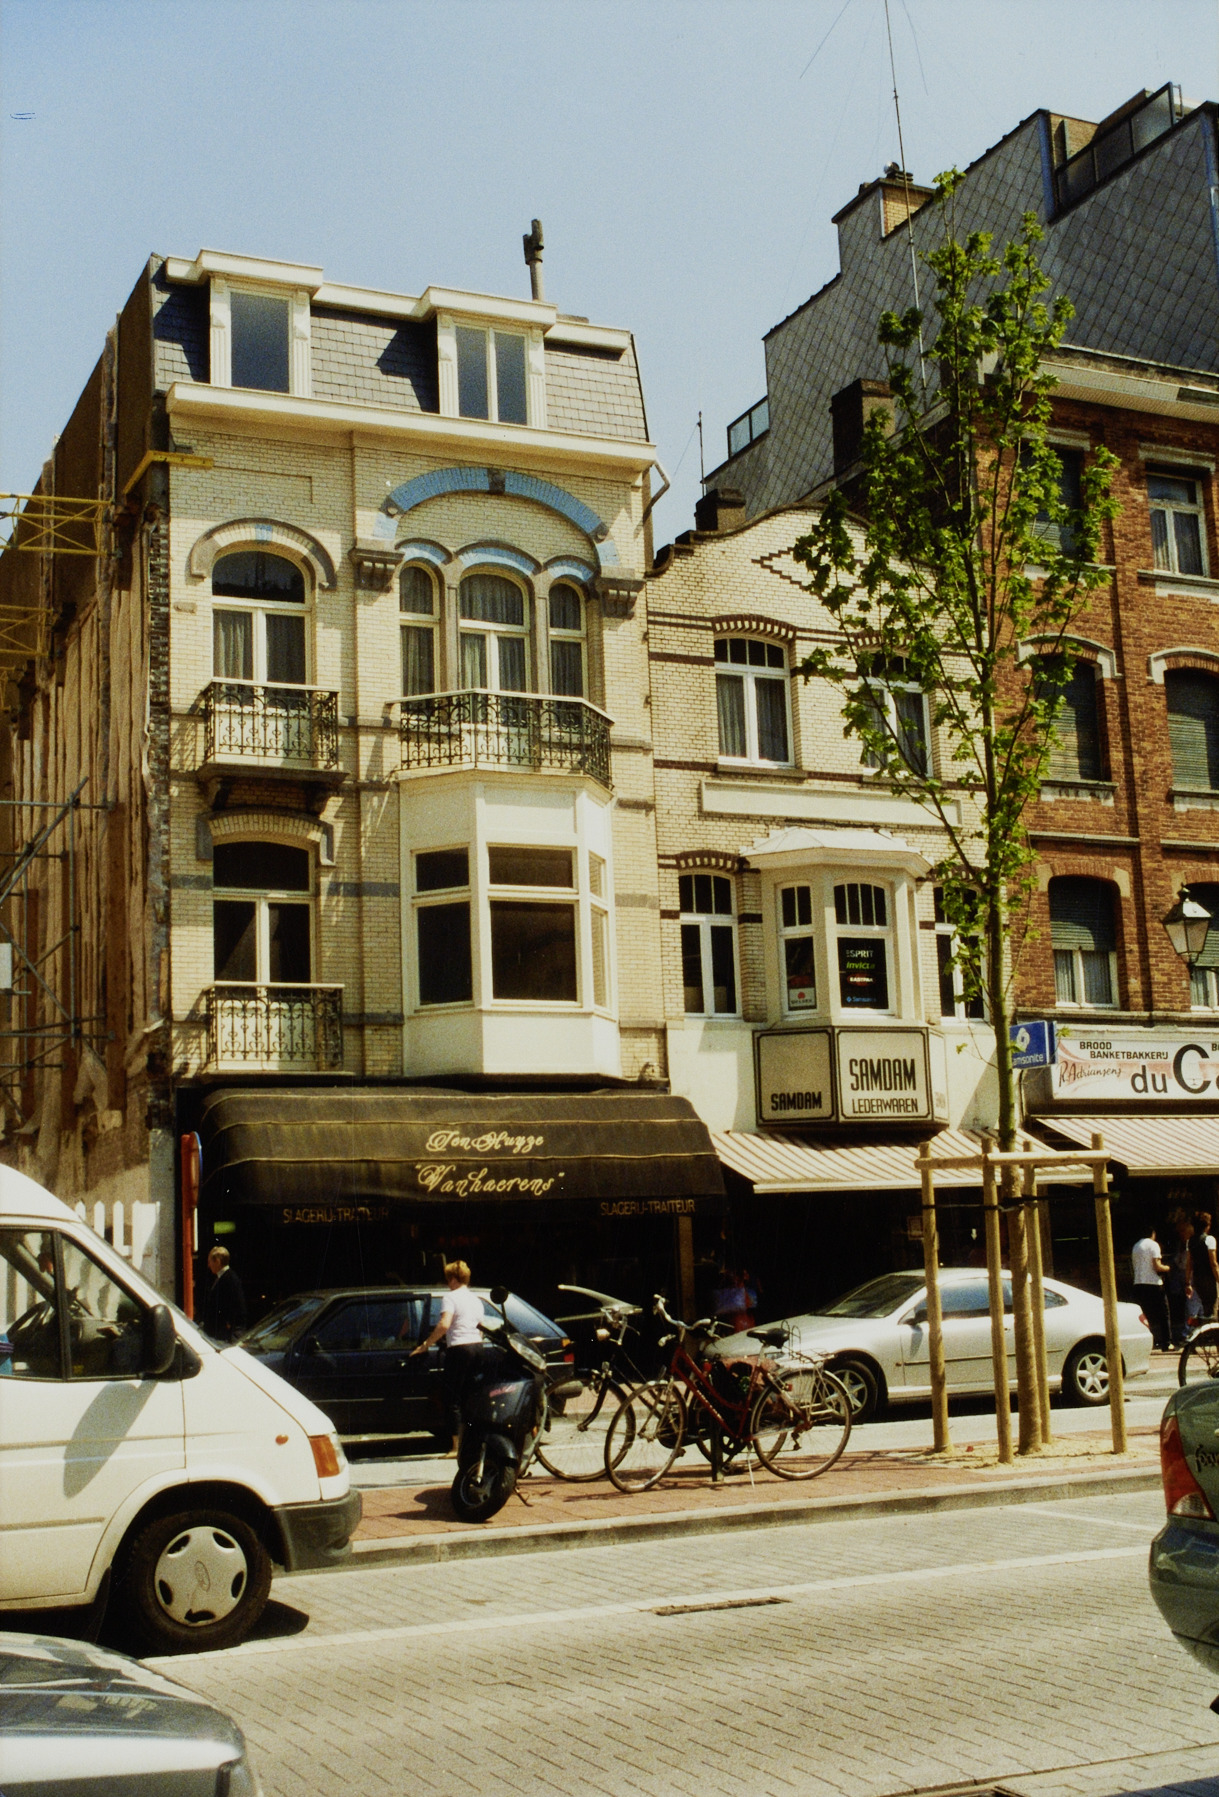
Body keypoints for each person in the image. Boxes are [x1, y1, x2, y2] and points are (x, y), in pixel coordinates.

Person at [409, 1260, 486, 1456]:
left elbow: (444, 1324)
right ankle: (474, 1443)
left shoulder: (450, 1297)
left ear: (452, 1279)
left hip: (459, 1349)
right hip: (477, 1347)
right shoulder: (476, 1299)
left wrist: (425, 1345)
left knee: (452, 1398)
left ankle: (456, 1446)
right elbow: (480, 1328)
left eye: (447, 1279)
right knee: (470, 1396)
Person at [1130, 1225, 1171, 1352]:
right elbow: (1157, 1266)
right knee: (1164, 1314)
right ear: (1152, 1234)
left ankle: (1144, 1343)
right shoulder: (1153, 1245)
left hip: (1138, 1283)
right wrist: (1168, 1268)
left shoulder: (1136, 1246)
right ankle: (1167, 1343)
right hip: (1154, 1284)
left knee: (1144, 1315)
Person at [201, 1245, 247, 1344]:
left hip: (226, 1335)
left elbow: (233, 1307)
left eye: (210, 1262)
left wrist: (228, 1326)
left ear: (217, 1261)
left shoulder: (229, 1279)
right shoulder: (224, 1278)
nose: (209, 1266)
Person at [1165, 1213, 1195, 1350]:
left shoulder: (1191, 1244)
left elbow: (1187, 1264)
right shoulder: (1181, 1245)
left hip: (1189, 1277)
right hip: (1181, 1277)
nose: (1181, 1234)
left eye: (1182, 1231)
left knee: (1191, 1306)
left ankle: (1188, 1334)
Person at [1192, 1212, 1219, 1325]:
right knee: (1213, 1307)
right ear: (1207, 1225)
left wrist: (1187, 1282)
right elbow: (1213, 1263)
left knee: (1206, 1305)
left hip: (1197, 1278)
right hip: (1209, 1278)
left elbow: (1189, 1263)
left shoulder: (1191, 1241)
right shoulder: (1209, 1239)